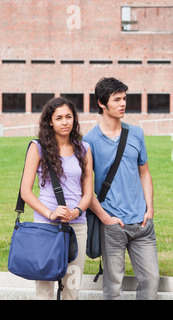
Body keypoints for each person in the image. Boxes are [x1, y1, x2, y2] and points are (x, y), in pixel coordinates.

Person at [83, 77, 159, 300]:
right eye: (117, 99)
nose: (123, 104)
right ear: (101, 103)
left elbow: (144, 173)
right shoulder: (89, 141)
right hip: (112, 225)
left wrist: (150, 209)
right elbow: (86, 188)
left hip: (142, 224)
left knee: (151, 280)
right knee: (113, 285)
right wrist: (105, 218)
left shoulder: (136, 133)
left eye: (124, 98)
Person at [20, 97, 93, 300]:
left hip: (77, 225)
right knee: (44, 290)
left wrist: (76, 211)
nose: (65, 122)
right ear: (50, 121)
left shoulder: (84, 149)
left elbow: (88, 193)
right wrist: (51, 213)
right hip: (46, 226)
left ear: (74, 119)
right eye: (59, 117)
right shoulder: (38, 147)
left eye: (68, 117)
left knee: (72, 289)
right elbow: (25, 191)